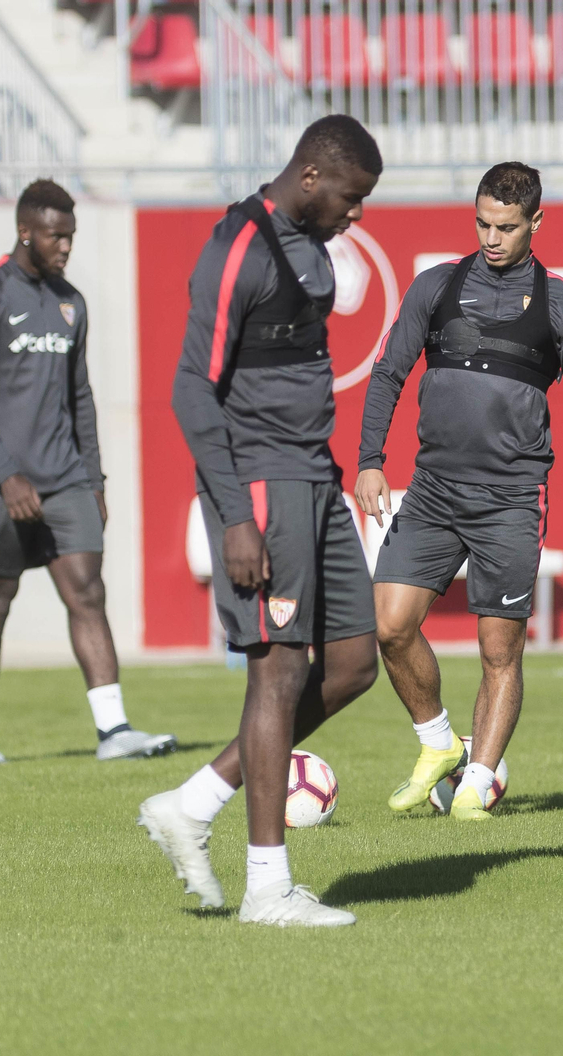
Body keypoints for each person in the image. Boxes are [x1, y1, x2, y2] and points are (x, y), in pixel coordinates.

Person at [137, 117, 383, 929]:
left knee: (351, 665)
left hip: (316, 475)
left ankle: (194, 801)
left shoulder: (310, 242)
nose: (357, 216)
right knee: (276, 673)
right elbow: (190, 391)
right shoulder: (237, 249)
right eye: (351, 199)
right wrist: (236, 518)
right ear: (311, 176)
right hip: (263, 487)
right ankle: (268, 890)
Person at [355, 162, 563, 821]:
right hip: (435, 492)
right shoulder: (435, 287)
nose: (492, 237)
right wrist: (370, 460)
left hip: (509, 499)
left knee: (498, 651)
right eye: (482, 224)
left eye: (506, 226)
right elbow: (388, 372)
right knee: (390, 625)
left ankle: (476, 785)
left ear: (536, 222)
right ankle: (439, 743)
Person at [0, 179, 176, 766]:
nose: (65, 247)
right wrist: (6, 476)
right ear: (26, 230)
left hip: (65, 480)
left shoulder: (72, 301)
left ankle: (114, 731)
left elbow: (81, 396)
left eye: (71, 237)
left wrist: (95, 478)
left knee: (88, 593)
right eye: (56, 236)